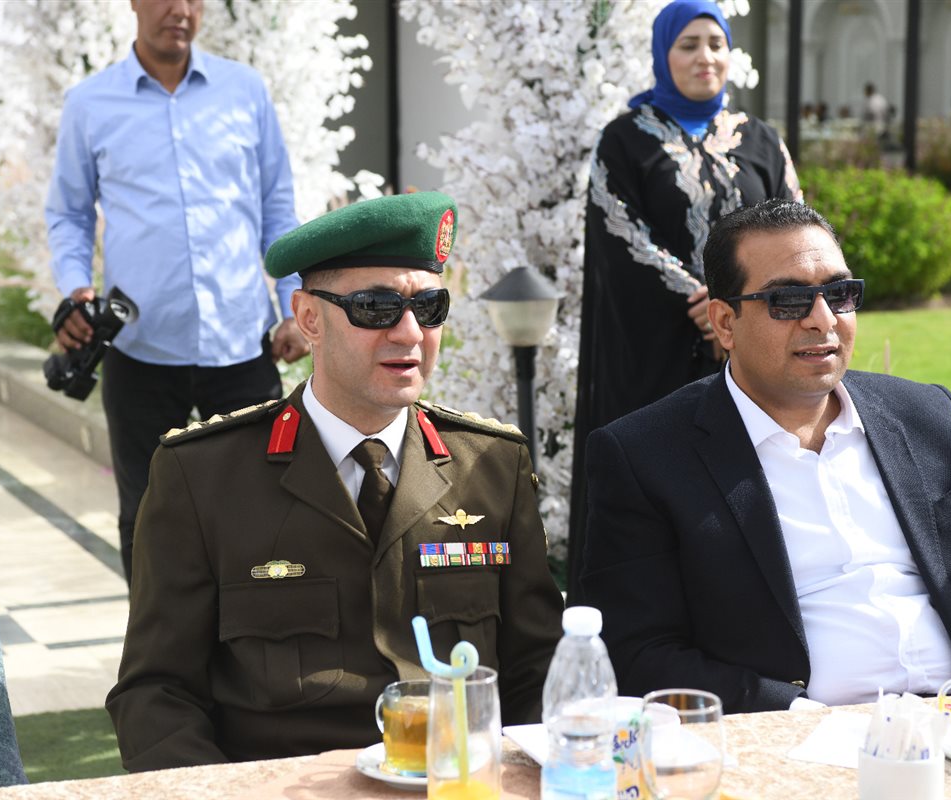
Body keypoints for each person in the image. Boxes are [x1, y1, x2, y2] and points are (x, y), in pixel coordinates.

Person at [105, 192, 565, 771]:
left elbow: (537, 669)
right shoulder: (203, 475)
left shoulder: (491, 464)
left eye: (429, 306)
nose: (409, 333)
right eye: (376, 307)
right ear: (308, 319)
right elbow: (156, 693)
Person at [579, 199, 951, 713]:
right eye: (788, 300)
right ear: (725, 322)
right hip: (799, 737)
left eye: (840, 294)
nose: (823, 319)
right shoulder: (645, 455)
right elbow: (639, 652)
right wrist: (798, 719)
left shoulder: (928, 418)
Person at [45, 0, 309, 585]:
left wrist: (294, 304)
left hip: (242, 346)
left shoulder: (245, 91)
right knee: (147, 519)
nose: (181, 10)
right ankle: (157, 645)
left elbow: (277, 207)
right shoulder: (90, 103)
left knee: (262, 515)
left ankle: (248, 640)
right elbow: (68, 213)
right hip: (139, 348)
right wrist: (77, 288)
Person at [569, 0, 803, 601]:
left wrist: (741, 307)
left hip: (755, 343)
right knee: (659, 478)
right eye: (689, 45)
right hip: (658, 350)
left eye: (716, 44)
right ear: (663, 55)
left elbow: (795, 230)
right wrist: (701, 301)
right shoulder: (625, 139)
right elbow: (619, 231)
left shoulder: (762, 140)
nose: (705, 57)